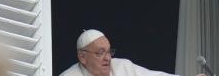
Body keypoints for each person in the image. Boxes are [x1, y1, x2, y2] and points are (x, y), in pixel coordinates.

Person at [59, 29, 205, 76]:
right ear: (82, 57)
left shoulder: (122, 67)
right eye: (100, 53)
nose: (107, 58)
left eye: (109, 52)